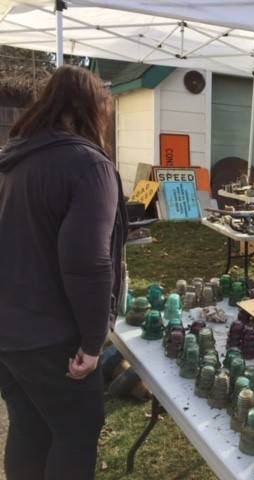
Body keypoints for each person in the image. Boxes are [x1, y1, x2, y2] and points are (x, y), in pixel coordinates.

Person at [0, 65, 127, 480]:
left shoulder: (13, 160)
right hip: (52, 336)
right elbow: (88, 262)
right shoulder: (89, 165)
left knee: (30, 425)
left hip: (10, 329)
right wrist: (92, 341)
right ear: (95, 109)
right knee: (76, 432)